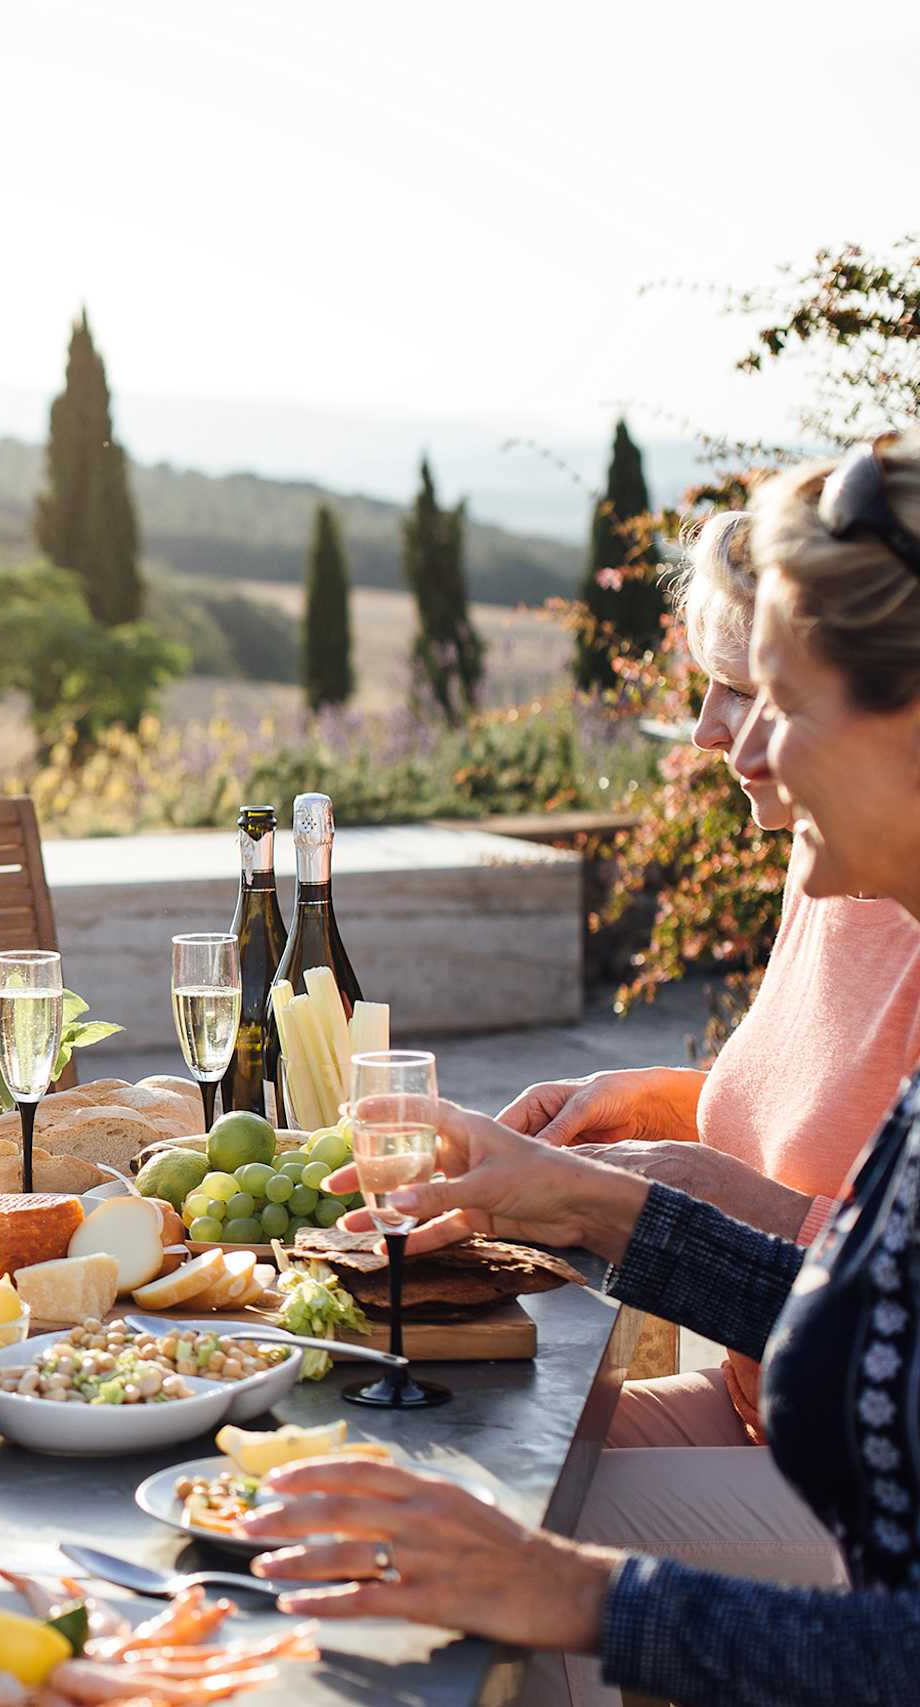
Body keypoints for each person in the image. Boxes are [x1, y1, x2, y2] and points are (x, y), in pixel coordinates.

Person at [247, 434, 920, 1707]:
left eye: (773, 698)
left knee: (478, 1575)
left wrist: (564, 1591)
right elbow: (877, 1317)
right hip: (768, 1424)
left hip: (797, 1485)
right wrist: (585, 1185)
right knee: (399, 1471)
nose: (740, 755)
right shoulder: (850, 883)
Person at [507, 510, 920, 1456]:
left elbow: (896, 1310)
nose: (711, 734)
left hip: (851, 1473)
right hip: (762, 1414)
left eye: (748, 689)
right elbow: (841, 1152)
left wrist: (658, 1193)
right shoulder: (832, 869)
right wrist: (657, 1109)